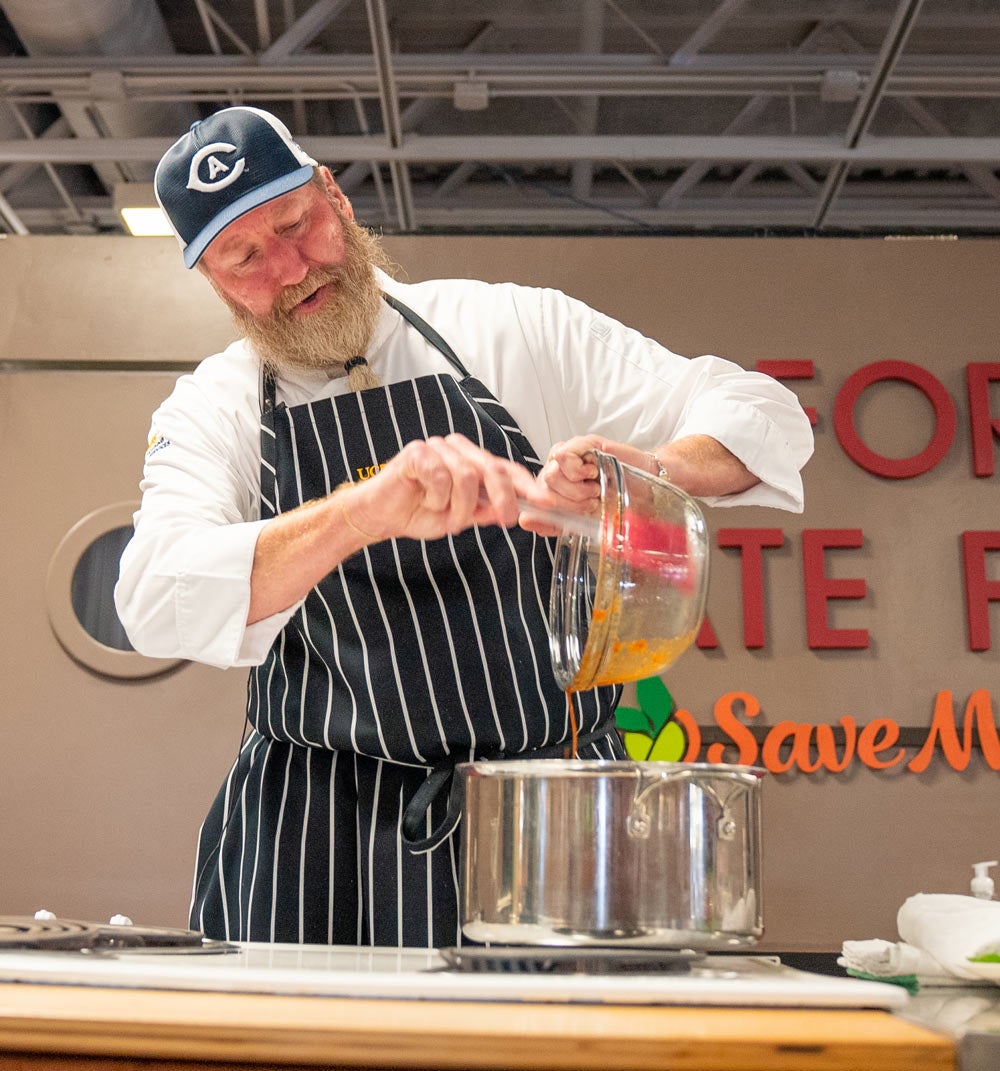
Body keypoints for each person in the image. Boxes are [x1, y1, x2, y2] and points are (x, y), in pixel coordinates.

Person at [115, 105, 813, 948]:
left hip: (548, 811)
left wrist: (641, 474)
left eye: (297, 225)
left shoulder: (511, 327)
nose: (293, 268)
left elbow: (760, 412)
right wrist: (364, 511)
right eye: (247, 257)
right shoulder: (214, 407)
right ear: (215, 282)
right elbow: (154, 596)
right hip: (312, 829)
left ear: (333, 197)